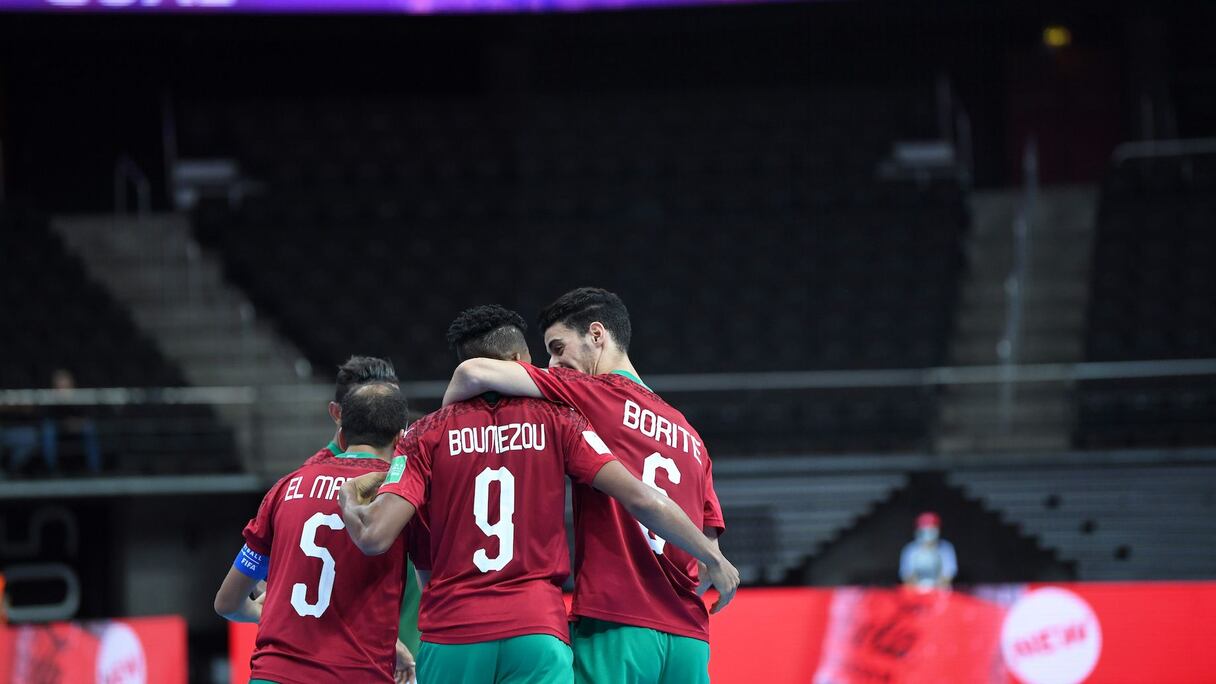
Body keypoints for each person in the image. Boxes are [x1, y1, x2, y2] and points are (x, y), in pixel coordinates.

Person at [340, 305, 738, 684]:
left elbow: (384, 540)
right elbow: (651, 506)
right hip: (566, 628)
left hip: (469, 627)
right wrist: (713, 557)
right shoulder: (575, 421)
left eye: (558, 348)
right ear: (519, 358)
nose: (553, 365)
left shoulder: (426, 434)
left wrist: (350, 493)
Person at [213, 381, 416, 684]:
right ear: (401, 439)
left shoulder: (286, 487)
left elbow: (227, 603)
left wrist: (272, 611)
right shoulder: (399, 496)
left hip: (273, 675)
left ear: (342, 436)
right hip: (355, 675)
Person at [315, 356, 424, 657]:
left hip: (418, 655)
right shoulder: (306, 481)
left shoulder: (415, 463)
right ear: (338, 413)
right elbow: (266, 581)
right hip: (354, 658)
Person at [899, 511, 958, 591]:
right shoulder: (910, 550)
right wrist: (921, 588)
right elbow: (907, 576)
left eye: (931, 531)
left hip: (940, 590)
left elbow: (948, 574)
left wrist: (934, 587)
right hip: (915, 591)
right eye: (924, 531)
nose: (928, 535)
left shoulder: (946, 548)